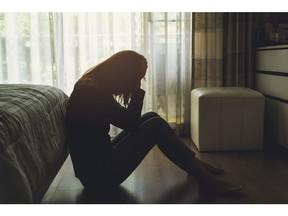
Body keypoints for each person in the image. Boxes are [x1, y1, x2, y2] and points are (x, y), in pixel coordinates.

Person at [65, 50, 242, 194]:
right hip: (99, 176)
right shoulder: (92, 92)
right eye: (137, 77)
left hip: (96, 167)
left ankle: (194, 165)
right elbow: (131, 123)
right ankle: (205, 179)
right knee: (154, 126)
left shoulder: (90, 86)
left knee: (151, 116)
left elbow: (128, 121)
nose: (138, 82)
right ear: (123, 73)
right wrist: (136, 89)